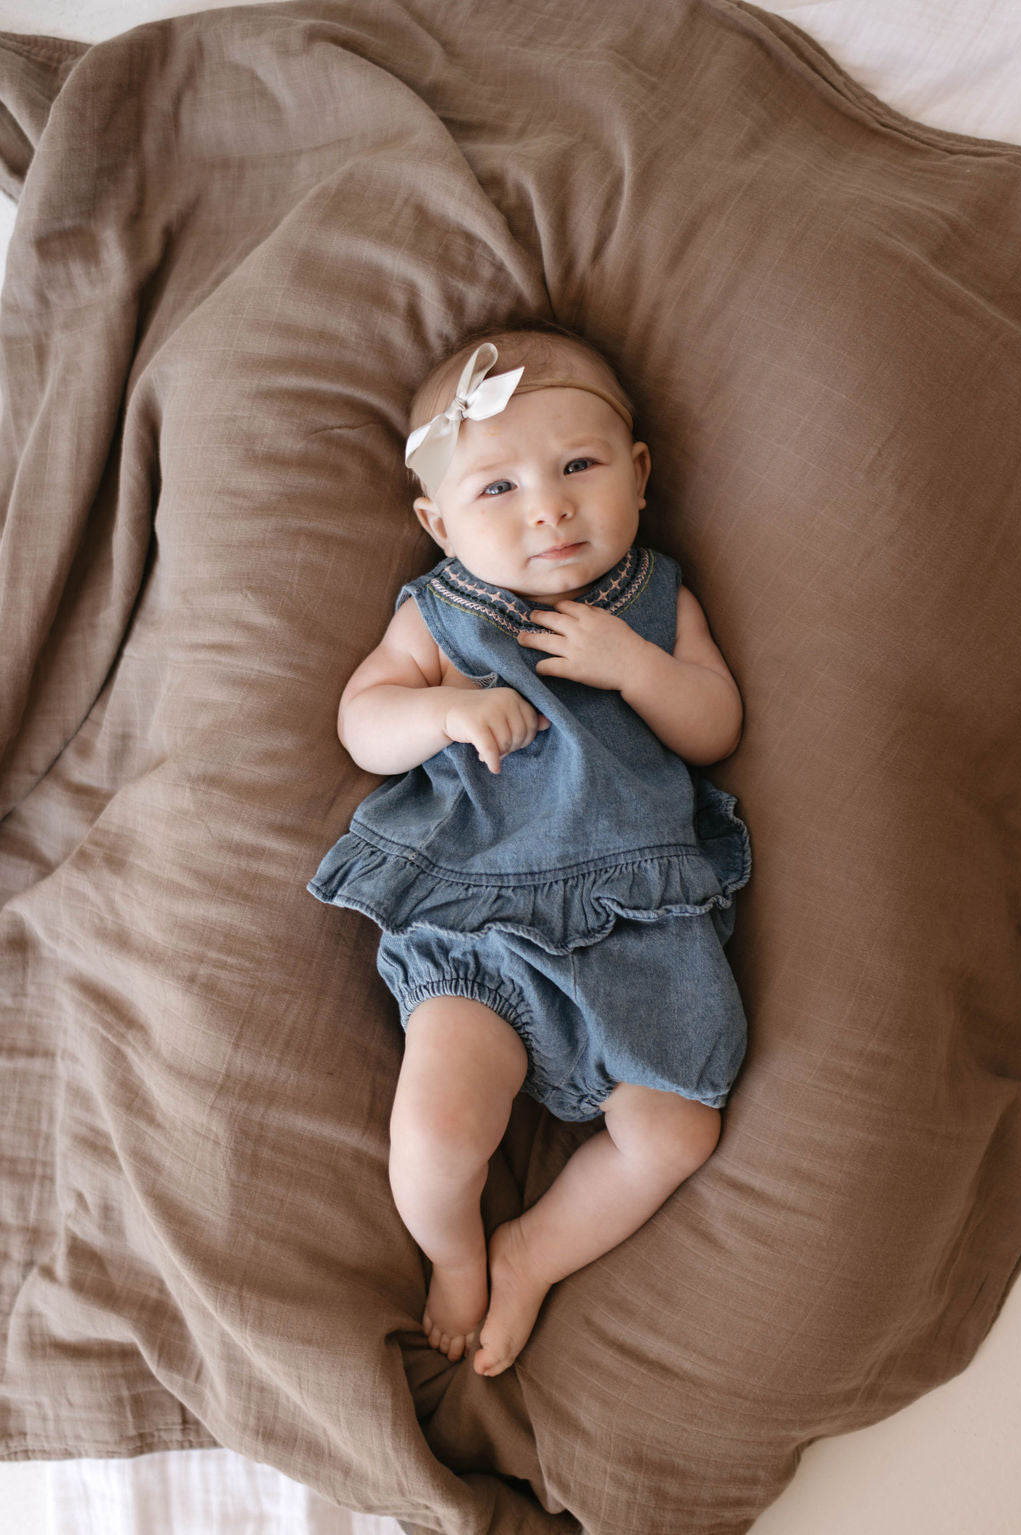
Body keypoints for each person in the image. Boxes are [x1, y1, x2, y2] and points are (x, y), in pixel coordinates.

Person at [308, 326, 750, 1378]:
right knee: (439, 1128)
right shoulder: (441, 613)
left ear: (638, 477)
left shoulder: (655, 598)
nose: (547, 506)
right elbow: (363, 720)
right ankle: (456, 1251)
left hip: (637, 926)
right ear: (437, 521)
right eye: (496, 488)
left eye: (578, 467)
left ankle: (533, 1250)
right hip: (484, 921)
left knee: (678, 1133)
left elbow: (714, 725)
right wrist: (446, 712)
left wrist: (637, 666)